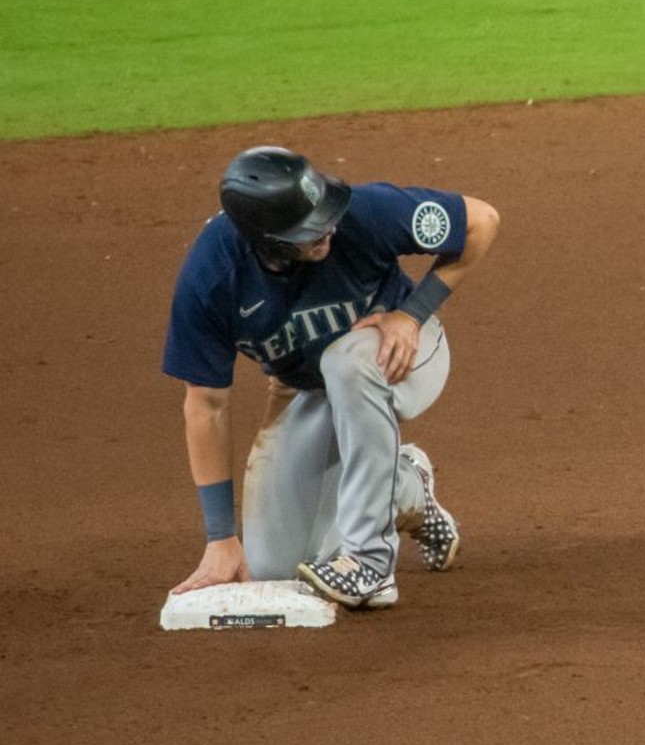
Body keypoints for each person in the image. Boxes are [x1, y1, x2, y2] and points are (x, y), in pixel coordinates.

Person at [163, 146, 500, 609]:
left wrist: (411, 314)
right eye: (307, 228)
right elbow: (206, 406)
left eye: (324, 212)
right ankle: (406, 487)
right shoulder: (212, 278)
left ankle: (370, 562)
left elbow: (482, 221)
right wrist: (220, 537)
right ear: (267, 240)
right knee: (273, 569)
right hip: (308, 393)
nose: (328, 228)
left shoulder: (367, 212)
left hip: (401, 357)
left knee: (347, 361)